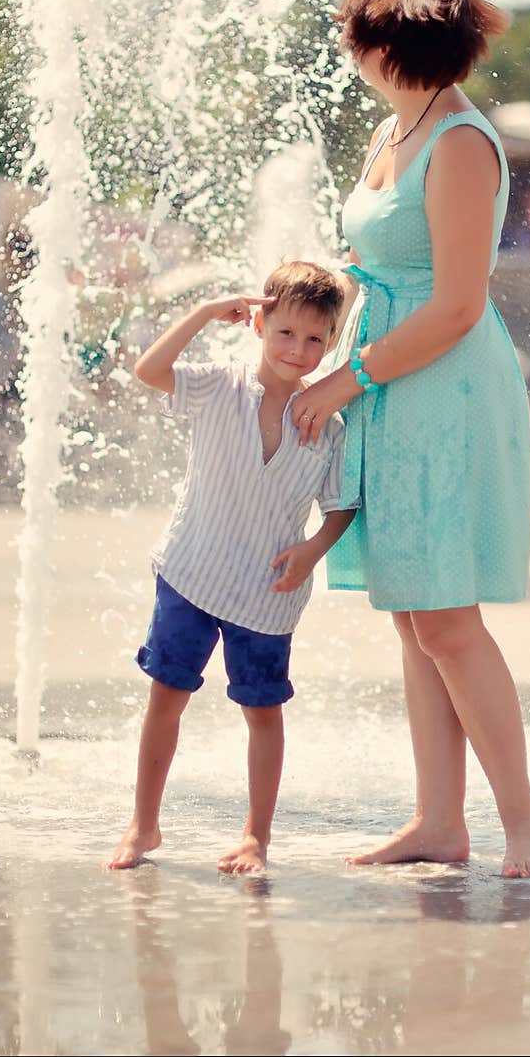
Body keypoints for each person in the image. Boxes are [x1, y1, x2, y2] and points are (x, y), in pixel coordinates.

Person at [291, 0, 530, 878]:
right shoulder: (393, 130)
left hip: (441, 385)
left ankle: (522, 822)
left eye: (358, 30)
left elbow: (456, 306)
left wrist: (345, 379)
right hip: (388, 380)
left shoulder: (462, 144)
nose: (347, 45)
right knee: (414, 615)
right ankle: (440, 822)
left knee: (446, 618)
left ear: (393, 41)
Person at [106, 261, 356, 874]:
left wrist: (313, 550)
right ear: (259, 326)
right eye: (286, 333)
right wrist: (204, 311)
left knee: (263, 713)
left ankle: (255, 837)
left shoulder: (327, 422)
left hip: (268, 592)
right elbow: (149, 371)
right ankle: (143, 825)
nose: (299, 350)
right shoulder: (219, 385)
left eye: (316, 339)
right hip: (192, 572)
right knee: (167, 698)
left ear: (331, 344)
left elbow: (342, 506)